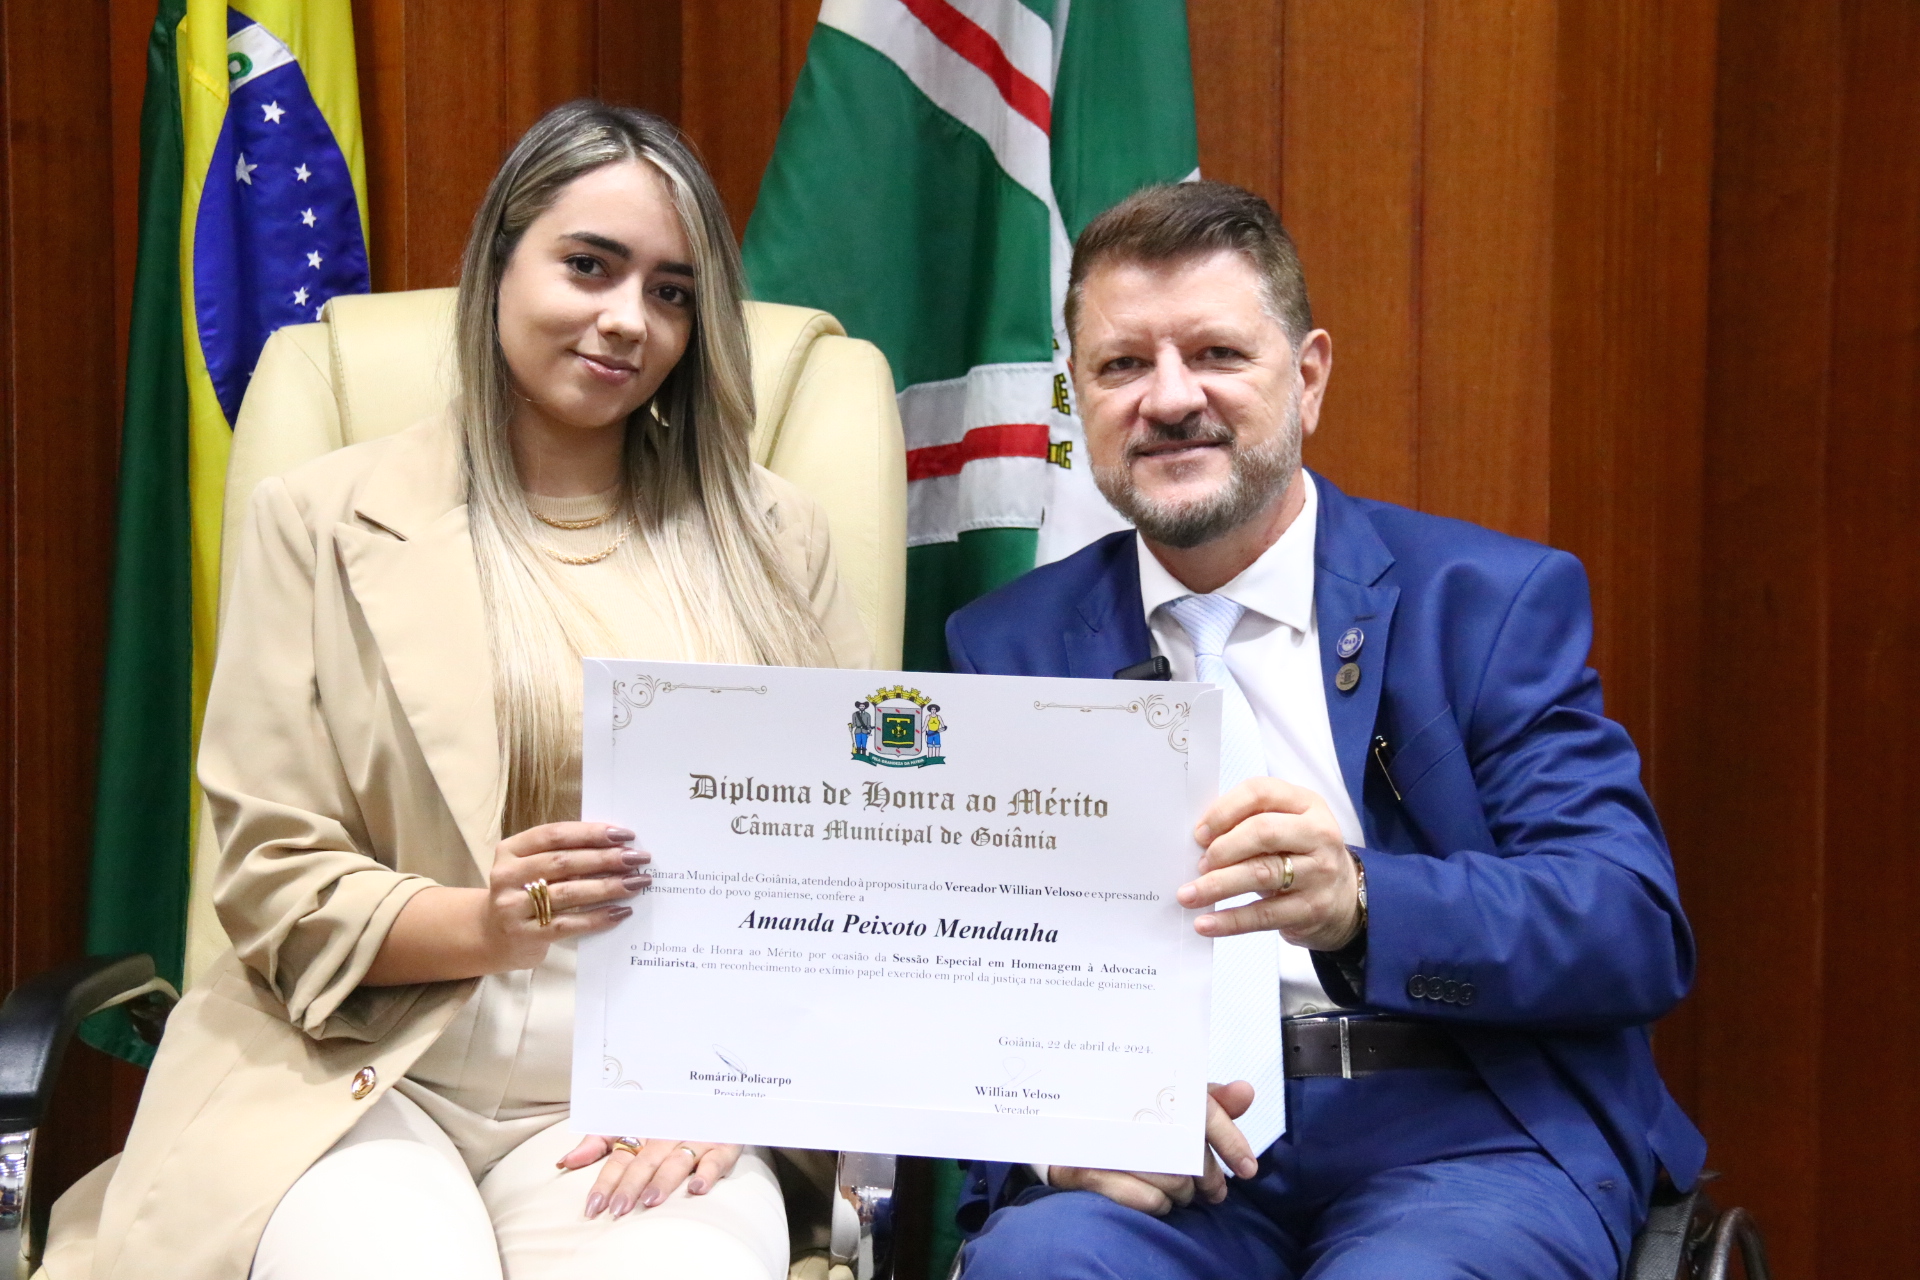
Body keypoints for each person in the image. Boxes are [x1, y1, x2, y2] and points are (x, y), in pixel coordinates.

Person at [44, 102, 870, 1280]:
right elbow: (273, 875)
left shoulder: (776, 541)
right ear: (499, 264)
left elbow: (843, 868)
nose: (628, 318)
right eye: (589, 265)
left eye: (673, 292)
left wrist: (740, 1088)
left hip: (643, 1095)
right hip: (351, 1067)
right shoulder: (317, 520)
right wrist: (488, 924)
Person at [943, 182, 1704, 1279]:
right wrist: (1054, 1132)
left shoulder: (1483, 602)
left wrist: (1361, 900)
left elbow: (1628, 924)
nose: (1170, 398)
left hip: (1462, 1125)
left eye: (1216, 353)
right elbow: (969, 967)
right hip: (1176, 1152)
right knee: (1039, 1262)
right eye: (1122, 365)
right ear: (1079, 397)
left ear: (1307, 377)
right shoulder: (1008, 643)